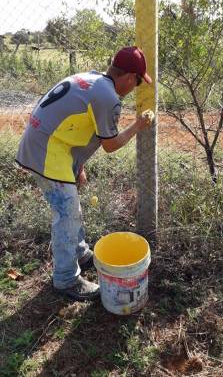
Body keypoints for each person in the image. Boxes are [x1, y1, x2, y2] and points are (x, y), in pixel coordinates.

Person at [15, 46, 153, 301]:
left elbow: (76, 124)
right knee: (66, 214)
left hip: (48, 143)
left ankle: (80, 253)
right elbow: (110, 145)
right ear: (129, 77)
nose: (133, 89)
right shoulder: (108, 97)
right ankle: (66, 279)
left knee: (71, 208)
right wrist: (138, 126)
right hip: (47, 150)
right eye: (136, 83)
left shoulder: (93, 79)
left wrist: (78, 165)